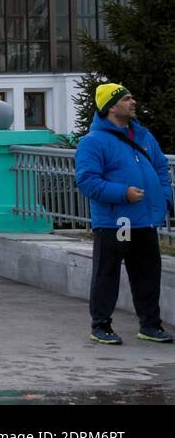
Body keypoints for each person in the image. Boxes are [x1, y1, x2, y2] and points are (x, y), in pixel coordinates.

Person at [75, 83, 173, 345]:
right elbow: (87, 181)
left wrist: (164, 198)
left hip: (144, 219)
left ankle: (150, 325)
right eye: (127, 98)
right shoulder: (93, 142)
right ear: (110, 106)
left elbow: (162, 169)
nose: (133, 102)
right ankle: (101, 326)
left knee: (148, 273)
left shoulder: (143, 136)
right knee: (107, 273)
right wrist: (122, 193)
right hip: (116, 220)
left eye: (132, 97)